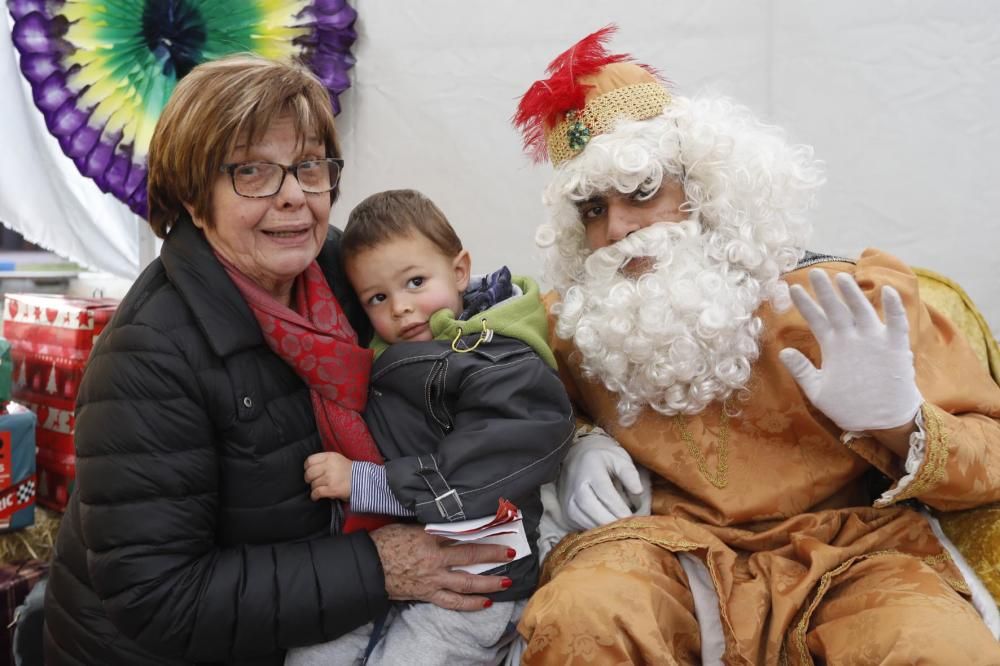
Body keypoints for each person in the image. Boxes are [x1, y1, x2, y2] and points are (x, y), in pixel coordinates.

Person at [511, 27, 1000, 664]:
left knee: (936, 648)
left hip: (853, 554)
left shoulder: (848, 298)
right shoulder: (574, 326)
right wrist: (578, 441)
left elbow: (991, 451)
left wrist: (903, 420)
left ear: (705, 187)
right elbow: (501, 408)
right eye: (593, 209)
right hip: (664, 550)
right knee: (582, 618)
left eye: (639, 193)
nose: (618, 229)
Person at [42, 56, 518, 666]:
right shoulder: (149, 355)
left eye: (308, 166)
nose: (294, 196)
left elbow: (465, 338)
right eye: (253, 172)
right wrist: (381, 565)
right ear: (192, 198)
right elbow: (158, 597)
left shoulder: (347, 275)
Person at [286, 189, 574, 665]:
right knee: (313, 653)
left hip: (481, 566)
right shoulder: (384, 354)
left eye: (416, 282)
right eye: (379, 297)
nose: (400, 307)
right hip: (388, 551)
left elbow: (489, 462)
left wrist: (367, 483)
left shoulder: (499, 355)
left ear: (460, 271)